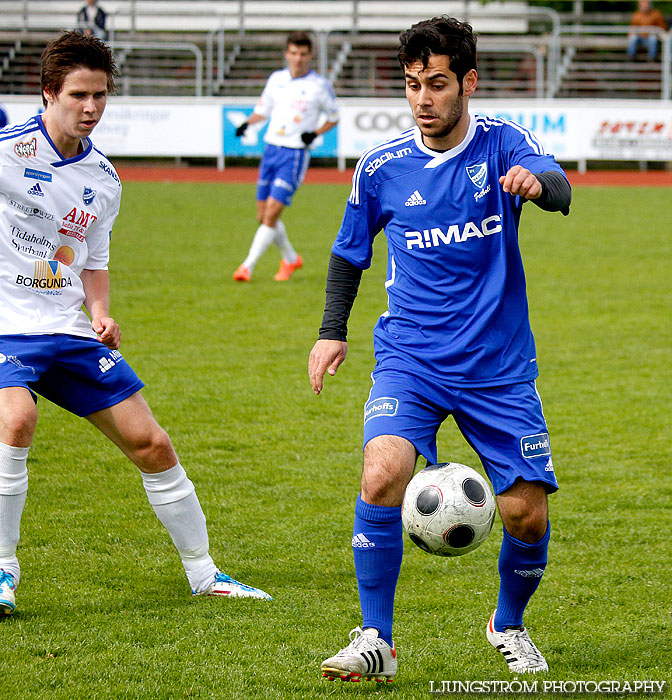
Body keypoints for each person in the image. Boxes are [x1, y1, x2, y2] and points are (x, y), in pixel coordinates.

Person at [308, 16, 571, 681]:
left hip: (498, 367)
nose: (423, 99)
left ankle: (508, 623)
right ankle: (378, 640)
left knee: (526, 516)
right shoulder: (383, 168)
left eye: (437, 84)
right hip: (412, 358)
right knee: (381, 473)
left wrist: (538, 187)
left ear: (468, 82)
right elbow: (348, 255)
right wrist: (330, 331)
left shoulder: (503, 145)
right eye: (412, 85)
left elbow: (557, 181)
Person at [0, 31, 272, 617]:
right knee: (16, 419)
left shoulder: (104, 179)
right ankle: (3, 569)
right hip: (5, 324)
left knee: (152, 442)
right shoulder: (7, 150)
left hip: (66, 327)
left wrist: (100, 312)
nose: (91, 108)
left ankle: (205, 575)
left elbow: (93, 260)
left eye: (100, 96)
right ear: (48, 92)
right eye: (78, 95)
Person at [232, 31, 339, 282]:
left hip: (294, 155)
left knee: (270, 216)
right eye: (293, 53)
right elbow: (263, 110)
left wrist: (314, 133)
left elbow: (334, 116)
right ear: (286, 53)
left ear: (310, 55)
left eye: (303, 54)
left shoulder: (319, 86)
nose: (298, 58)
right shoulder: (276, 79)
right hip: (271, 149)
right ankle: (291, 259)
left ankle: (247, 266)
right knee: (263, 216)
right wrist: (247, 123)